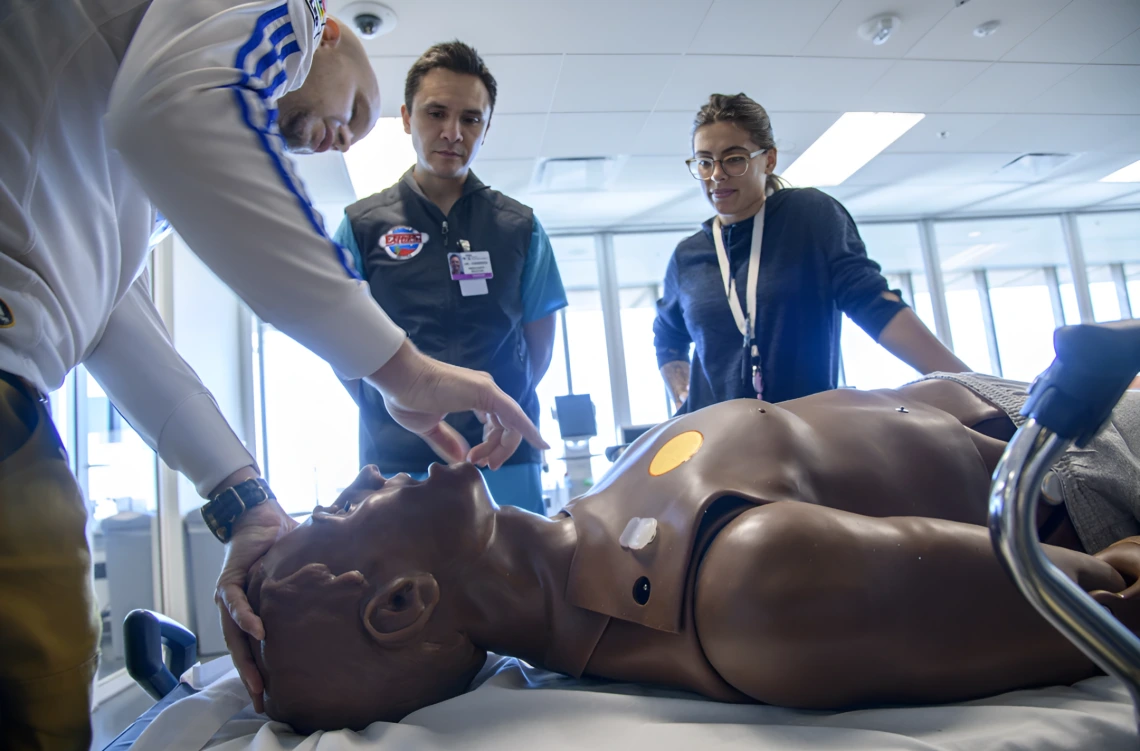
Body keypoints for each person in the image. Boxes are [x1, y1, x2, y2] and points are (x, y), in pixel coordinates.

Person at [0, 2, 546, 746]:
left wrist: (244, 498)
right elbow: (175, 107)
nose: (336, 142)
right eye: (357, 110)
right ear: (327, 31)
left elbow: (94, 308)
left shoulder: (95, 147)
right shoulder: (290, 10)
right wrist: (405, 371)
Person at [247, 372, 1140, 732]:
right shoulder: (745, 588)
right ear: (401, 605)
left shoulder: (585, 529)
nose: (366, 471)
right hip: (1084, 455)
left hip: (1033, 398)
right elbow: (1113, 598)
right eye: (341, 509)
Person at [332, 41, 567, 515]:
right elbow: (343, 345)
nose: (452, 132)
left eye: (470, 118)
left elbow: (539, 345)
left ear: (486, 126)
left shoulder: (519, 226)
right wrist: (389, 402)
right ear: (405, 117)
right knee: (405, 585)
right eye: (436, 113)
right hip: (396, 452)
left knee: (514, 584)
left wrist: (506, 403)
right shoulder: (362, 225)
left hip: (503, 450)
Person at [654, 93, 969, 413]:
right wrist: (683, 394)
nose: (716, 175)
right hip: (716, 442)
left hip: (803, 436)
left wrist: (968, 384)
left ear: (770, 159)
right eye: (705, 162)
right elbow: (667, 338)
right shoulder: (687, 257)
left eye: (734, 158)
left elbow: (872, 302)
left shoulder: (808, 217)